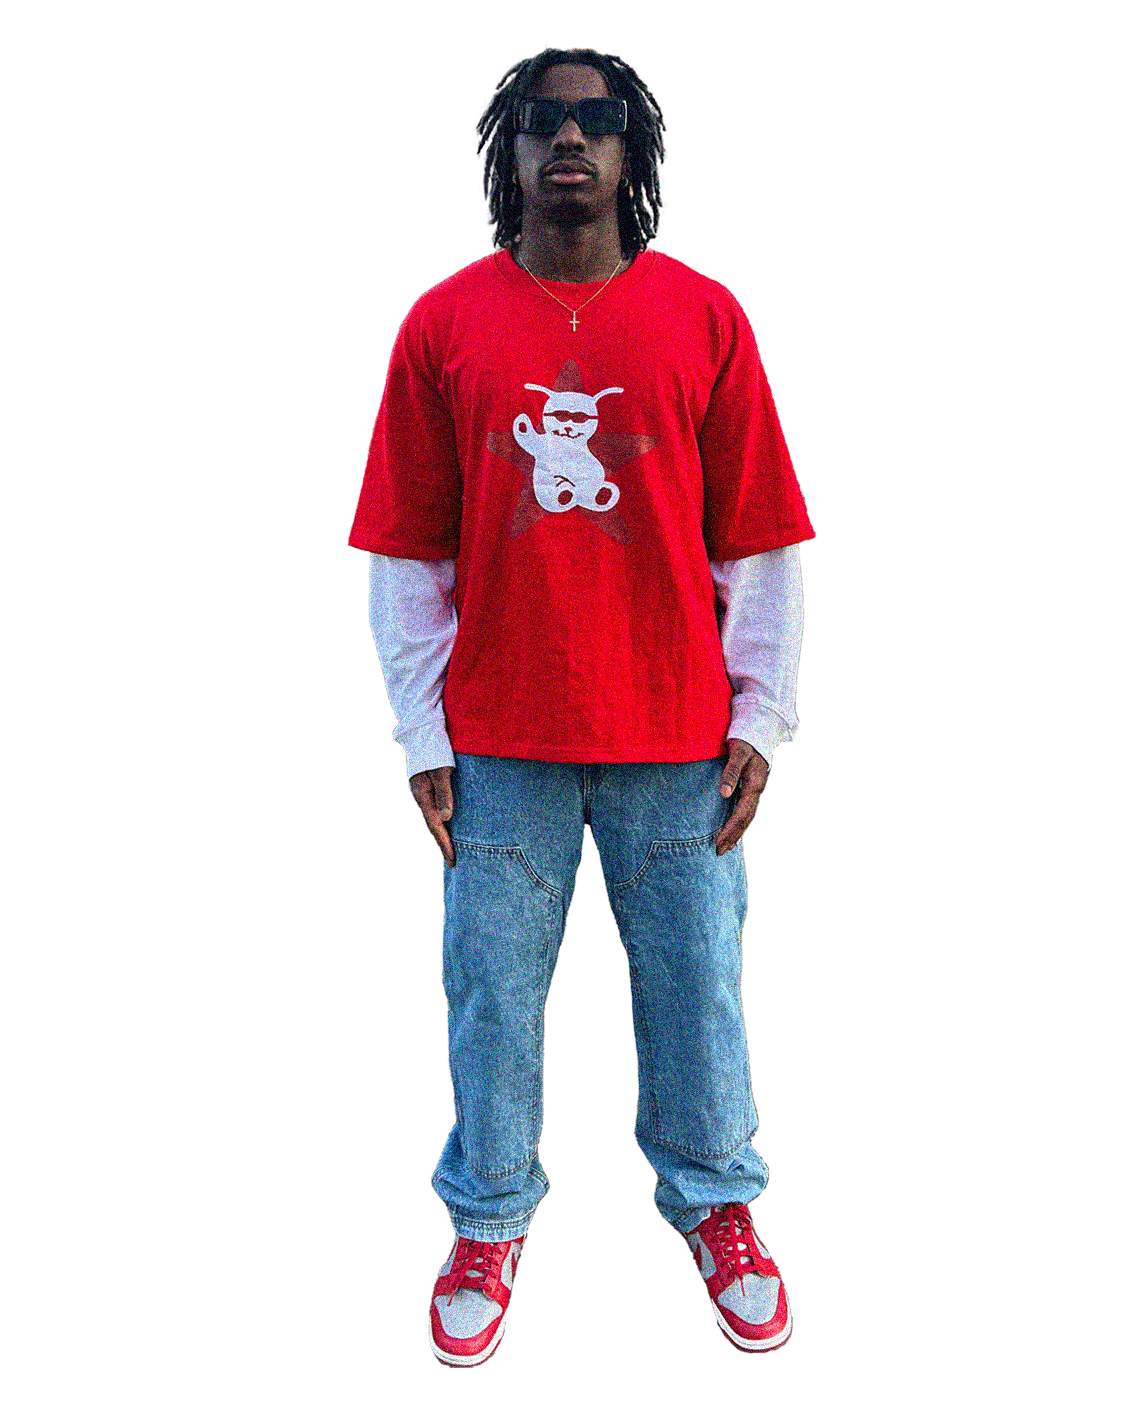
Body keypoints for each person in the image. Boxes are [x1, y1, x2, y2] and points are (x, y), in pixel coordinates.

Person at [348, 47, 815, 1366]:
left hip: (677, 734)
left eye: (595, 120)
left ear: (630, 151)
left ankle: (716, 1203)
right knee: (491, 995)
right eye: (542, 122)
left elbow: (760, 537)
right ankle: (489, 1217)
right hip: (501, 740)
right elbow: (407, 552)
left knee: (697, 988)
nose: (569, 141)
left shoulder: (704, 318)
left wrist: (760, 717)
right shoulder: (444, 325)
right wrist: (422, 731)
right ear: (508, 150)